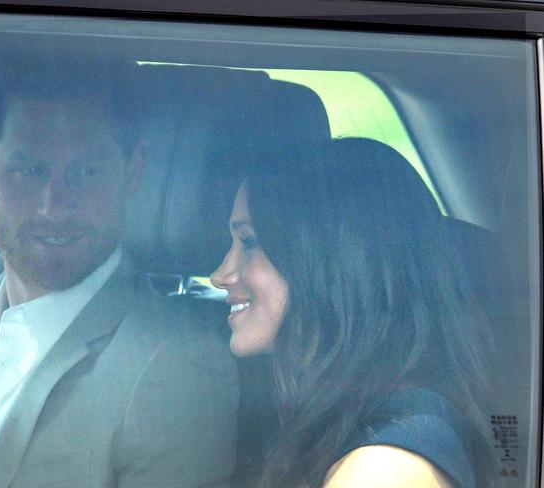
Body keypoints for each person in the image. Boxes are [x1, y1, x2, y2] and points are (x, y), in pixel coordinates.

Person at [0, 52, 238, 488]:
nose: (53, 205)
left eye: (86, 171)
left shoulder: (179, 366)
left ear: (132, 172)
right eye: (28, 170)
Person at [211, 138, 495, 488]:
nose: (220, 275)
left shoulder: (384, 468)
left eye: (249, 243)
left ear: (334, 262)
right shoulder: (353, 424)